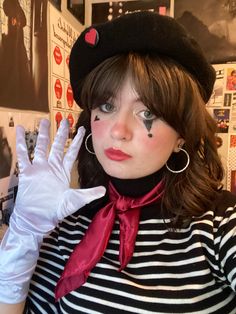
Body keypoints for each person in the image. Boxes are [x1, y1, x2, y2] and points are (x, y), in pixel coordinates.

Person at [0, 11, 236, 314]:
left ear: (182, 135)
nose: (118, 131)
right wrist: (24, 238)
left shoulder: (219, 226)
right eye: (107, 105)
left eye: (148, 112)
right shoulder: (68, 224)